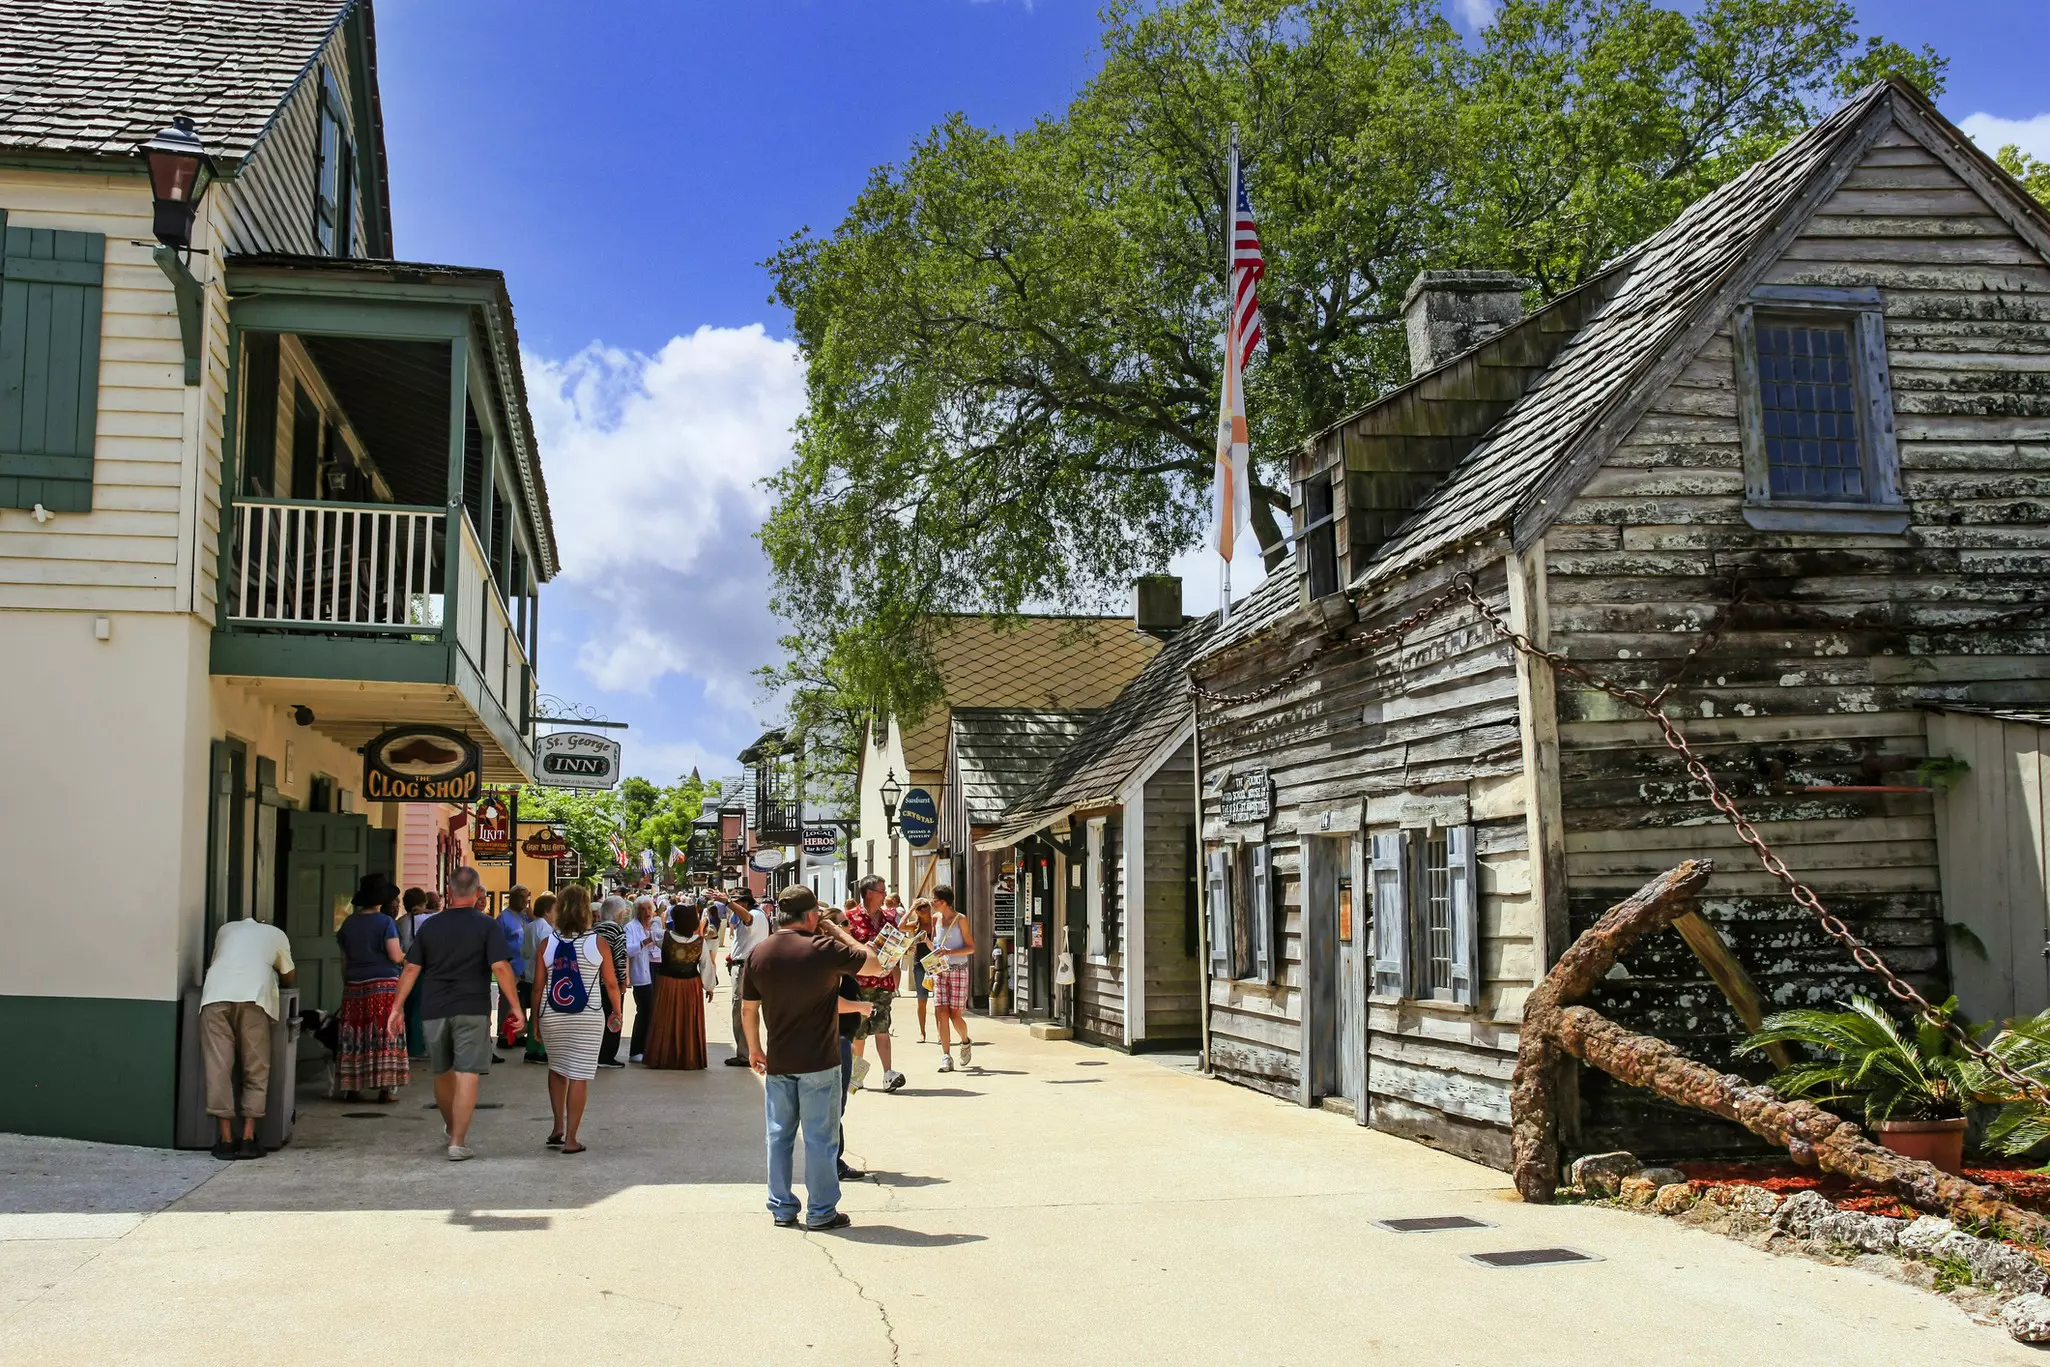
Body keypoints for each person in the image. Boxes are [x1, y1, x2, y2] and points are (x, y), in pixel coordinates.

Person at [740, 887, 885, 1231]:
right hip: (820, 1060)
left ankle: (781, 1207)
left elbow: (749, 1009)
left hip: (779, 1060)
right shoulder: (825, 948)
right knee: (821, 1138)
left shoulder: (759, 953)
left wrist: (754, 1048)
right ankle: (821, 1211)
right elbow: (876, 965)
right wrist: (835, 929)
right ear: (810, 916)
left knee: (778, 1136)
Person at [386, 867, 522, 1161]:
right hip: (472, 1008)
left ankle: (450, 1126)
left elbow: (411, 968)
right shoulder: (486, 926)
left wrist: (397, 1008)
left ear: (449, 892)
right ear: (477, 894)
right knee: (467, 1073)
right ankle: (458, 1141)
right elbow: (500, 967)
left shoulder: (431, 927)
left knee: (442, 1072)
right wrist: (515, 1006)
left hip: (434, 1008)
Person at [197, 913, 296, 1160]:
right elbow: (289, 976)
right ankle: (249, 1139)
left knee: (218, 1069)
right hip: (255, 998)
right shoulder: (276, 934)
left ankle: (226, 1140)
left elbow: (218, 960)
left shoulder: (225, 930)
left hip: (215, 996)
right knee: (256, 1067)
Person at [532, 884, 621, 1153]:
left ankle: (557, 1126)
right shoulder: (598, 943)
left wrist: (535, 1020)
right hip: (588, 1015)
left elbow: (538, 987)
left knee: (557, 1070)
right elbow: (611, 983)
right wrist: (617, 1011)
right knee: (579, 1075)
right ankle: (571, 1138)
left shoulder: (547, 943)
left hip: (553, 1015)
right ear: (587, 910)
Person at [334, 874, 408, 1103]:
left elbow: (344, 961)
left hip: (355, 986)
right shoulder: (385, 923)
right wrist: (411, 960)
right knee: (384, 1034)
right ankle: (385, 1089)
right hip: (384, 985)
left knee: (355, 1036)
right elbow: (395, 955)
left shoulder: (348, 923)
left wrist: (349, 982)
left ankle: (353, 1087)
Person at [844, 875, 907, 1093]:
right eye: (882, 891)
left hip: (883, 981)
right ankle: (856, 1076)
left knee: (882, 1026)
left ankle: (888, 1074)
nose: (885, 895)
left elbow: (896, 944)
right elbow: (844, 948)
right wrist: (862, 946)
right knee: (859, 1031)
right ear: (869, 893)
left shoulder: (888, 918)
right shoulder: (850, 918)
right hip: (860, 982)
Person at [644, 902, 712, 1069]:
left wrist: (658, 915)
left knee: (664, 1019)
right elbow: (706, 966)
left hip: (667, 982)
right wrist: (709, 987)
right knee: (688, 1020)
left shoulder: (663, 936)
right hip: (691, 985)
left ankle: (663, 1056)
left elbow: (652, 932)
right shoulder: (700, 942)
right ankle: (688, 1057)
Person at [929, 885, 976, 1072]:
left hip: (958, 969)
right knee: (941, 1012)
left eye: (934, 899)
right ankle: (946, 1056)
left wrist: (951, 951)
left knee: (955, 1015)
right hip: (940, 970)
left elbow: (971, 947)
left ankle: (965, 1041)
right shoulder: (935, 919)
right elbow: (935, 943)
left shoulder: (961, 919)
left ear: (943, 902)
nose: (931, 902)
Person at [722, 889, 768, 1066]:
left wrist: (727, 902)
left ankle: (745, 1053)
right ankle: (747, 1051)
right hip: (744, 964)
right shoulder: (757, 915)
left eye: (737, 902)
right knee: (748, 1009)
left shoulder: (753, 915)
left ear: (745, 903)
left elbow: (747, 918)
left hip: (744, 967)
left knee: (741, 1008)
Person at [594, 896, 632, 1069]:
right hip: (610, 982)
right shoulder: (617, 930)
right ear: (618, 913)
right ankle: (607, 1056)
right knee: (614, 1016)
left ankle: (596, 1053)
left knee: (598, 1018)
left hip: (594, 981)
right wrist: (622, 981)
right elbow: (620, 958)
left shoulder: (594, 928)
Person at [496, 886, 533, 1050]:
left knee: (521, 1001)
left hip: (525, 966)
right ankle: (503, 1035)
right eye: (523, 898)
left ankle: (518, 1033)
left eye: (527, 898)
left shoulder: (526, 917)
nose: (525, 901)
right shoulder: (503, 918)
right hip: (510, 965)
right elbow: (498, 942)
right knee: (506, 1001)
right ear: (513, 898)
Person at [522, 892, 557, 1064]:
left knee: (535, 1013)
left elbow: (525, 951)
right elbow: (547, 953)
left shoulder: (529, 926)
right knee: (545, 1013)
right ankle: (540, 1049)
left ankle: (531, 1048)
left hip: (529, 973)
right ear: (546, 911)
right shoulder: (546, 929)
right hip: (542, 975)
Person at [396, 887, 430, 1059]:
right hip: (420, 968)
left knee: (408, 1008)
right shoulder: (426, 920)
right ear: (422, 904)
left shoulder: (400, 922)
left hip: (403, 967)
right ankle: (416, 1048)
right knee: (418, 1008)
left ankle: (407, 1044)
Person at [625, 898, 659, 1062]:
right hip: (641, 975)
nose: (647, 913)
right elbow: (628, 950)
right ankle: (636, 1050)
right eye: (643, 909)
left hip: (655, 971)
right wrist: (644, 942)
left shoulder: (654, 926)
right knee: (644, 1011)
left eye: (649, 909)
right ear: (637, 911)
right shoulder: (630, 928)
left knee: (652, 1012)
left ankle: (648, 1047)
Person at [908, 898, 935, 1043]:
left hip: (935, 962)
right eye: (920, 907)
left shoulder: (935, 922)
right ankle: (922, 1032)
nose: (924, 909)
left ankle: (940, 1032)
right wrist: (912, 907)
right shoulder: (915, 925)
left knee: (938, 1001)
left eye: (925, 906)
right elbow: (900, 926)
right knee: (922, 999)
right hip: (920, 964)